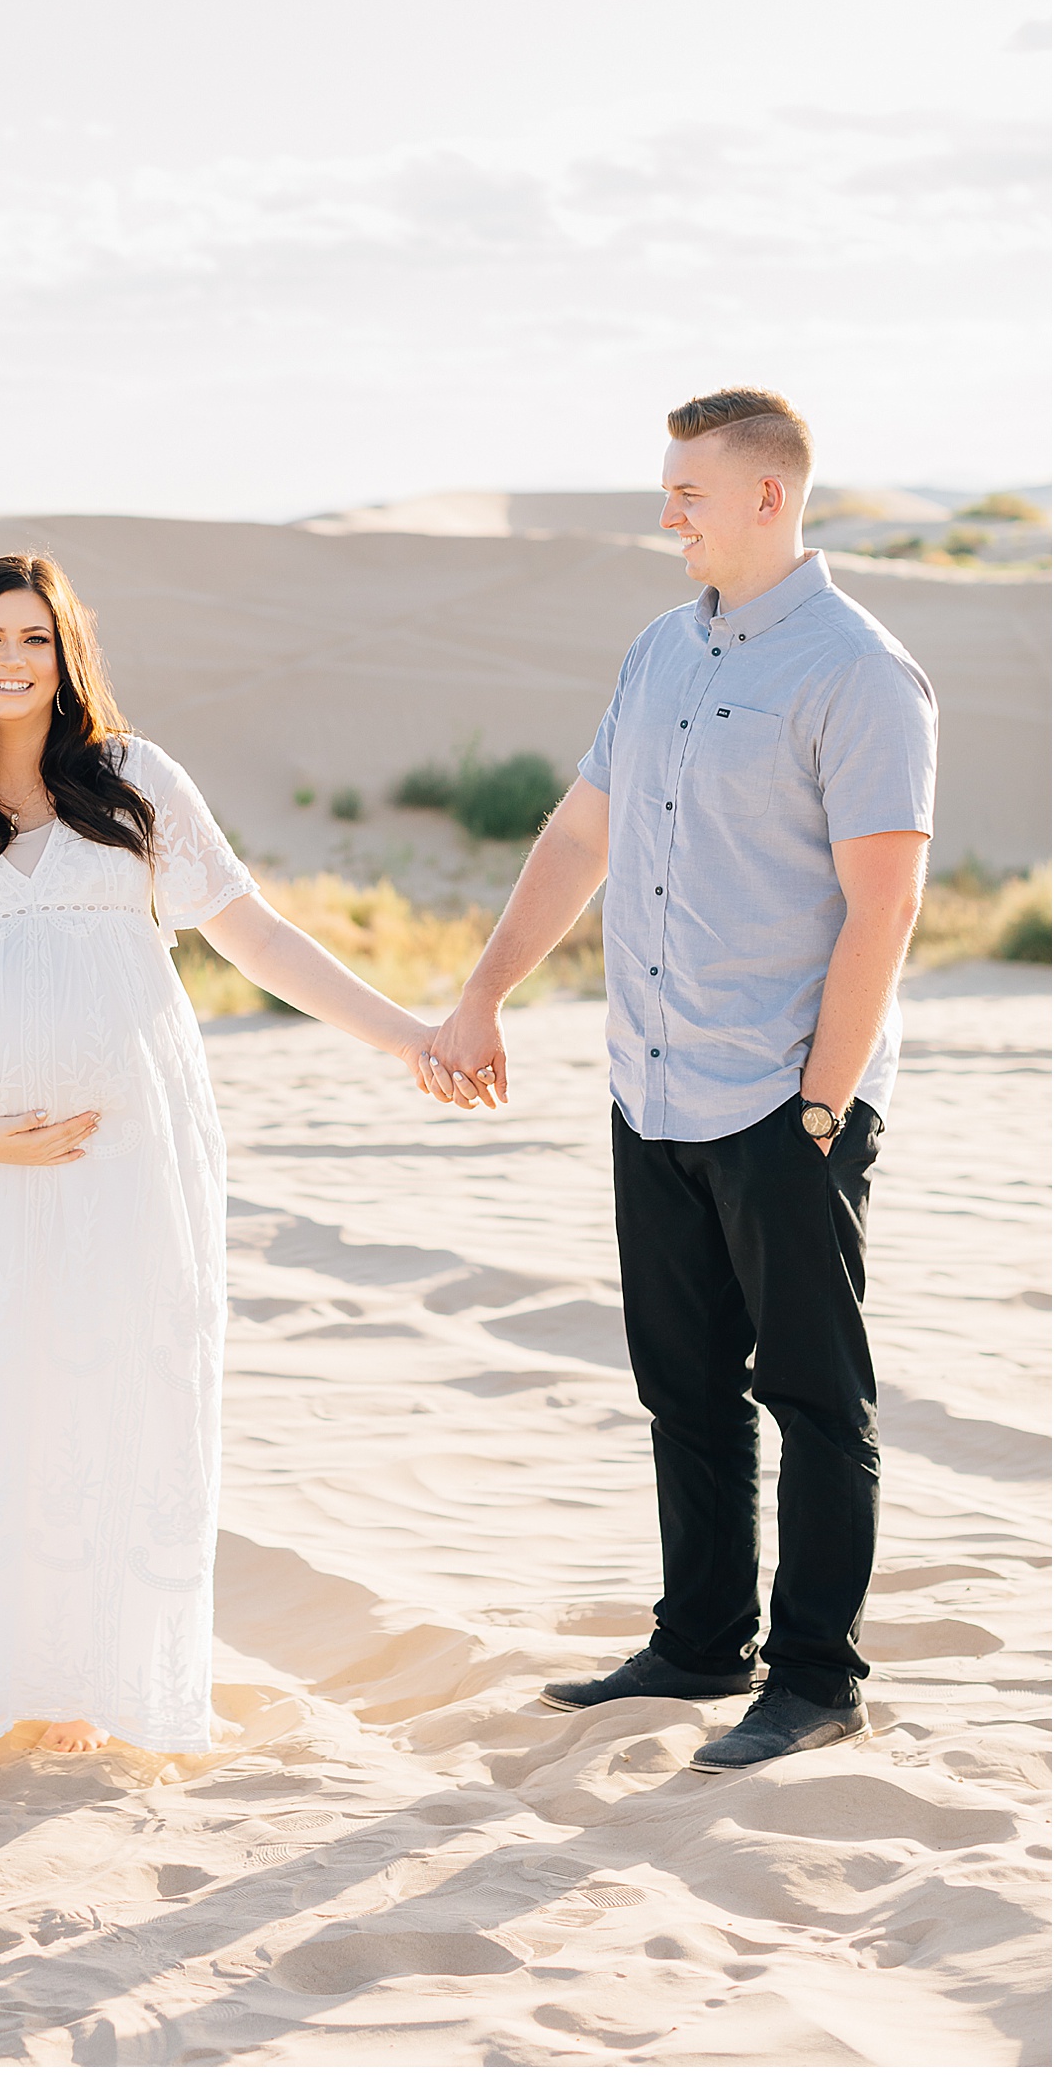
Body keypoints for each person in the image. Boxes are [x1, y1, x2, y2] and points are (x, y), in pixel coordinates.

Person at [0, 551, 435, 1758]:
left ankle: (111, 1683)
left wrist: (408, 1033)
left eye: (36, 638)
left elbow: (254, 935)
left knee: (120, 1385)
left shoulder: (136, 780)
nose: (11, 658)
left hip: (131, 1153)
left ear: (68, 655)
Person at [418, 388, 937, 1771]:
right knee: (685, 1384)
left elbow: (884, 905)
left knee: (817, 1397)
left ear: (770, 496)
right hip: (651, 1085)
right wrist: (484, 991)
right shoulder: (657, 652)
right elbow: (580, 832)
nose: (668, 514)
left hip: (786, 1093)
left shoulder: (862, 671)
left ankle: (817, 1675)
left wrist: (823, 1103)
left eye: (689, 493)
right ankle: (703, 1640)